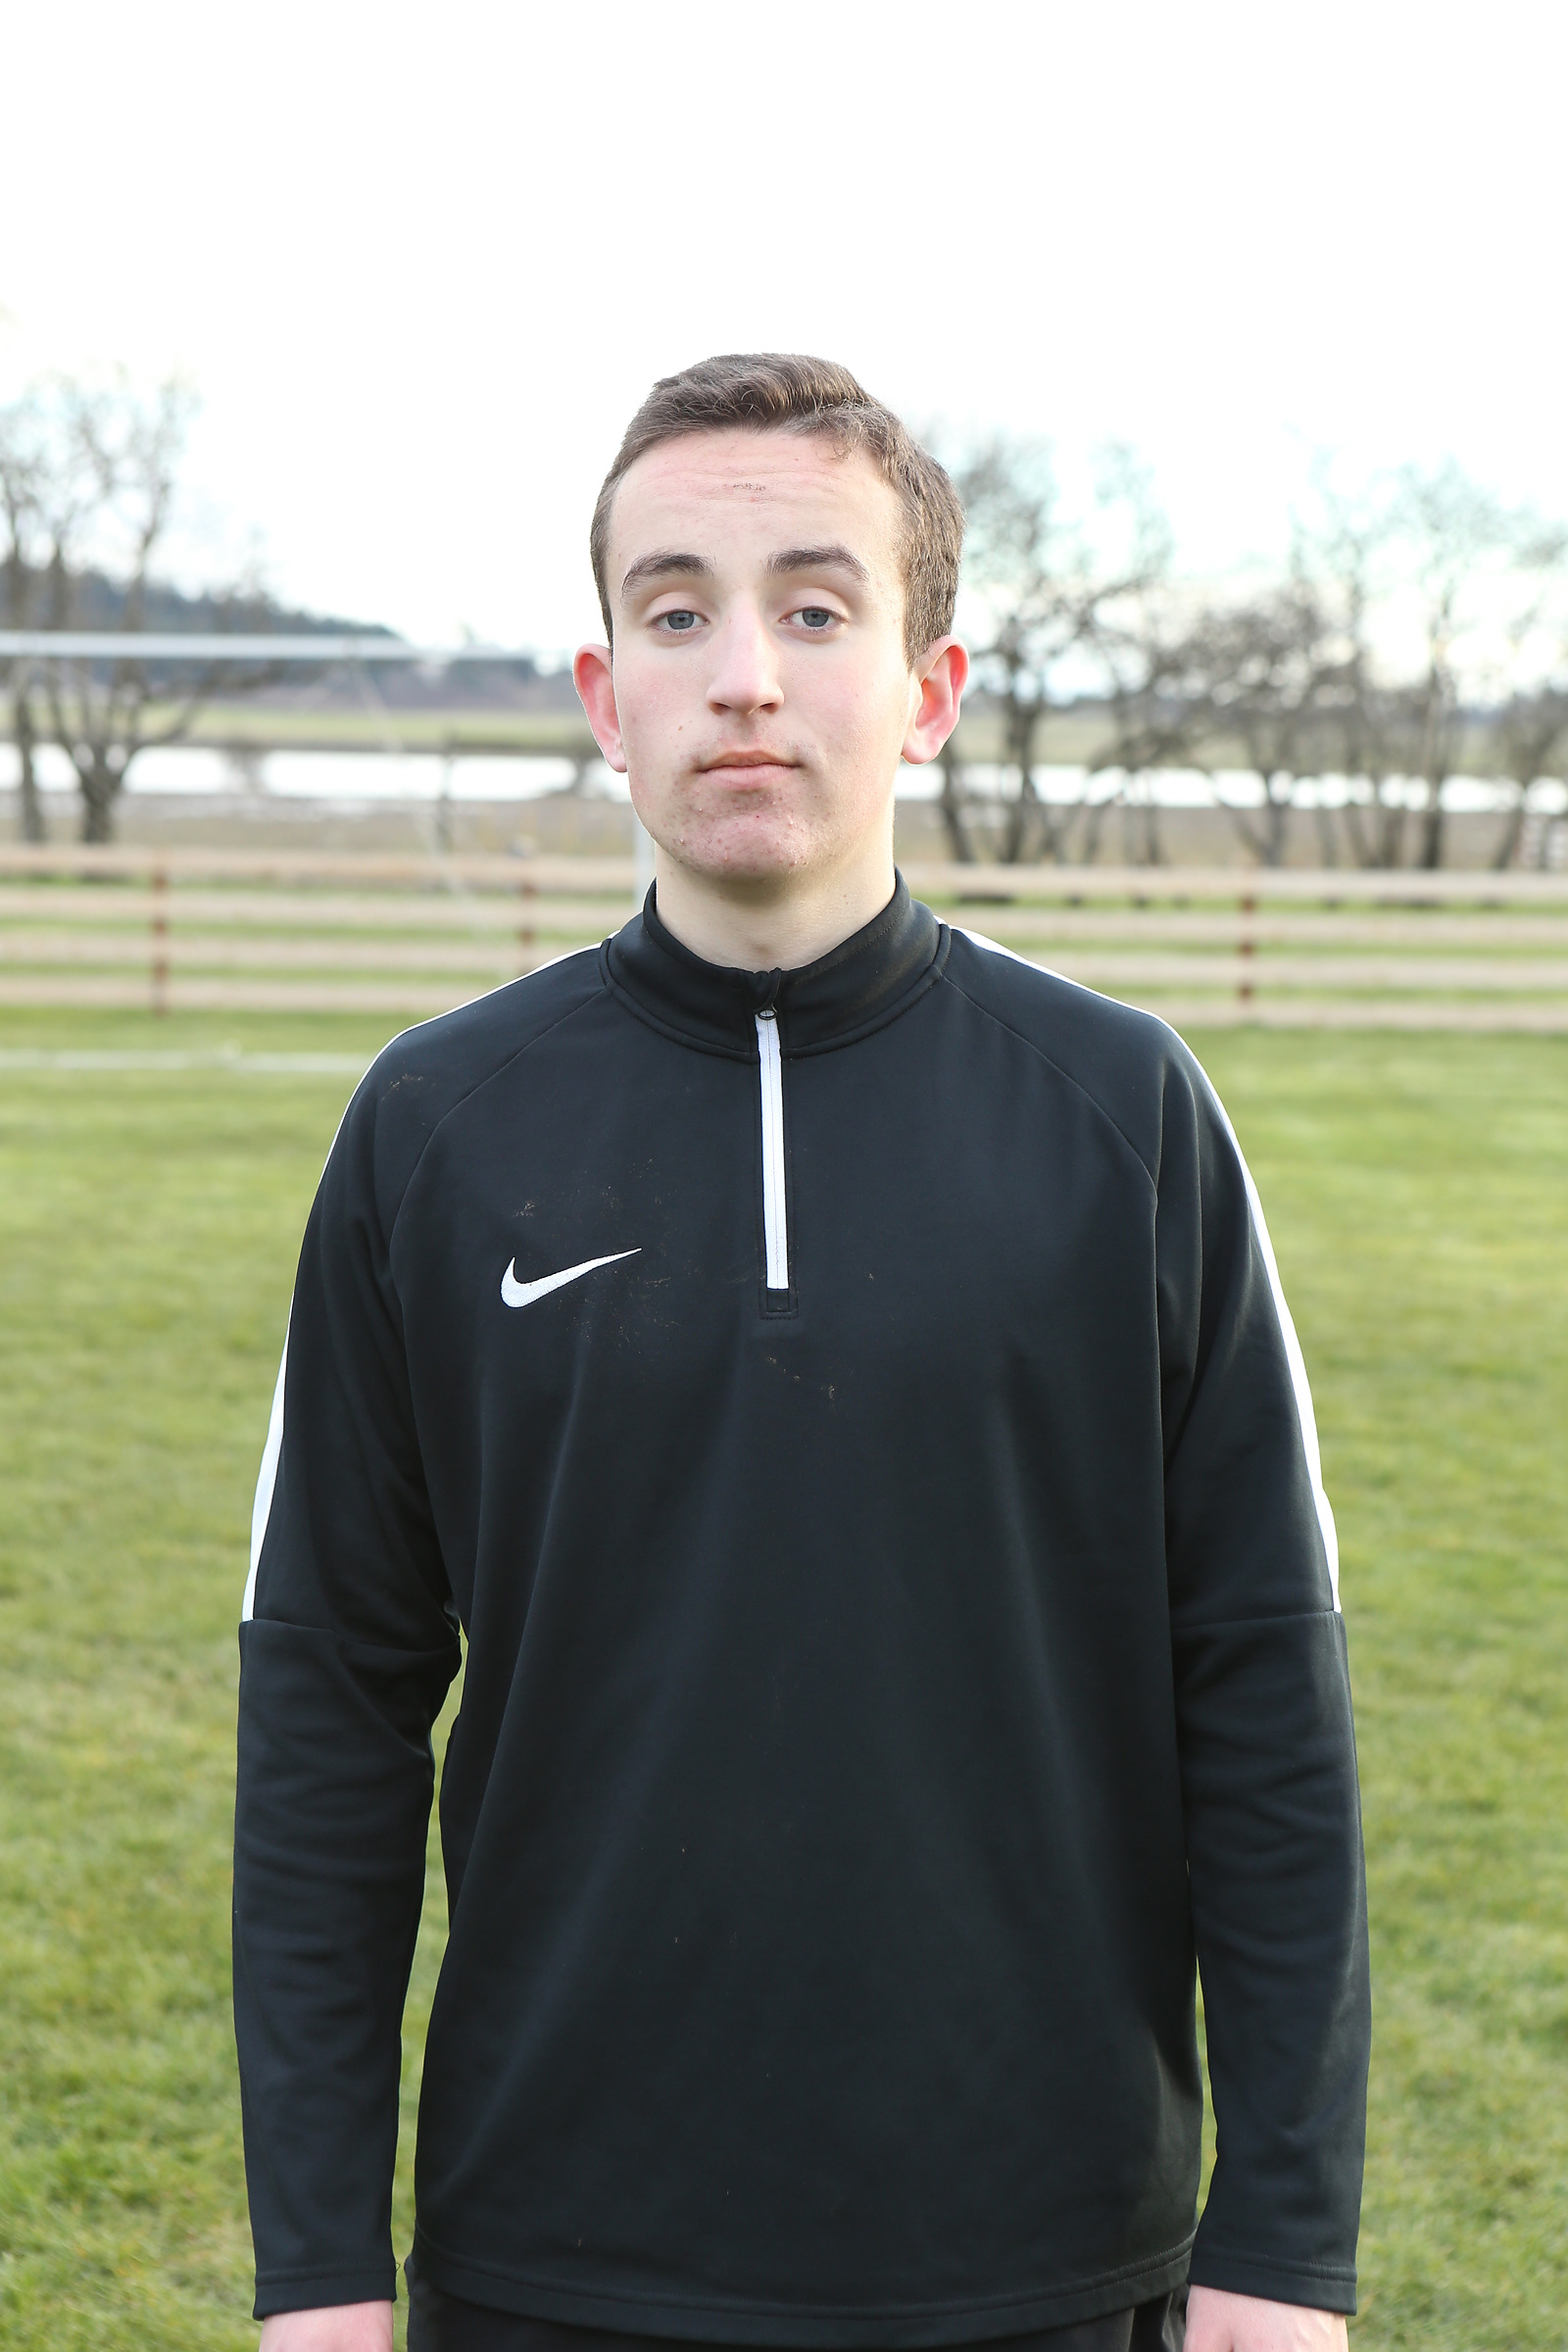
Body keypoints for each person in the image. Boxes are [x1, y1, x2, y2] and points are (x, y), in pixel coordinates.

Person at [234, 355, 1369, 2352]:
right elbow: (330, 1704)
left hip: (1036, 2251)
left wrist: (1280, 2246)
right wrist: (319, 2267)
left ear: (928, 689)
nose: (744, 675)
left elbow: (1262, 1684)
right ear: (607, 699)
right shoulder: (436, 1130)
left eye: (816, 609)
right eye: (676, 613)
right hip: (555, 2253)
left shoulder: (1120, 1116)